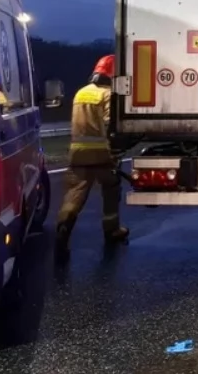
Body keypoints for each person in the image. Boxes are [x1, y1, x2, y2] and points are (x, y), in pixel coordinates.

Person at [55, 54, 129, 262]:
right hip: (101, 153)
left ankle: (62, 233)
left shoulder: (81, 93)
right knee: (111, 188)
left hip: (78, 153)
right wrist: (117, 149)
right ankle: (112, 230)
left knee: (74, 195)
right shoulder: (108, 95)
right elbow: (110, 125)